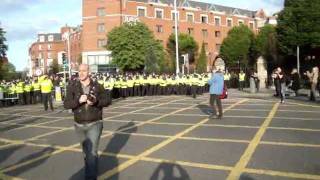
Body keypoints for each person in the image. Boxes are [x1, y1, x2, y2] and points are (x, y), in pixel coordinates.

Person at [64, 64, 108, 180]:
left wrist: (96, 102)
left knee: (92, 152)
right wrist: (78, 101)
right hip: (79, 125)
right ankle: (91, 169)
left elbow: (108, 100)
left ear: (89, 72)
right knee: (86, 153)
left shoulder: (97, 85)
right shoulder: (72, 86)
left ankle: (90, 176)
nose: (81, 73)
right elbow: (66, 104)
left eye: (84, 71)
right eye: (79, 71)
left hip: (95, 123)